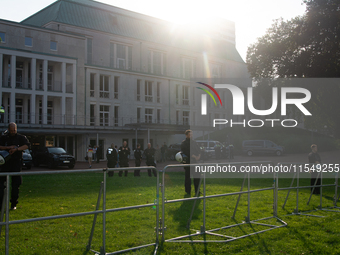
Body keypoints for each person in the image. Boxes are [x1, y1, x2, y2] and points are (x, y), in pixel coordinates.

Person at [0, 122, 30, 210]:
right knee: (1, 186)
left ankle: (13, 204)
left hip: (16, 164)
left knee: (15, 185)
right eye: (11, 130)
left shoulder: (21, 138)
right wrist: (8, 148)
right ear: (8, 129)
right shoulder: (3, 138)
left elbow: (26, 145)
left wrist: (16, 149)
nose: (13, 132)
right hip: (4, 165)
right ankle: (1, 205)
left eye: (14, 130)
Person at [181, 130, 201, 196]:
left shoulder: (194, 142)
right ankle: (188, 191)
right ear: (186, 135)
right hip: (188, 163)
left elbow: (198, 150)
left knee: (197, 177)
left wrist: (198, 156)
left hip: (195, 163)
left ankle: (197, 191)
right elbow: (185, 151)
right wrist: (193, 156)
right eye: (190, 135)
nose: (191, 136)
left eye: (192, 134)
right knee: (188, 179)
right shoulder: (184, 143)